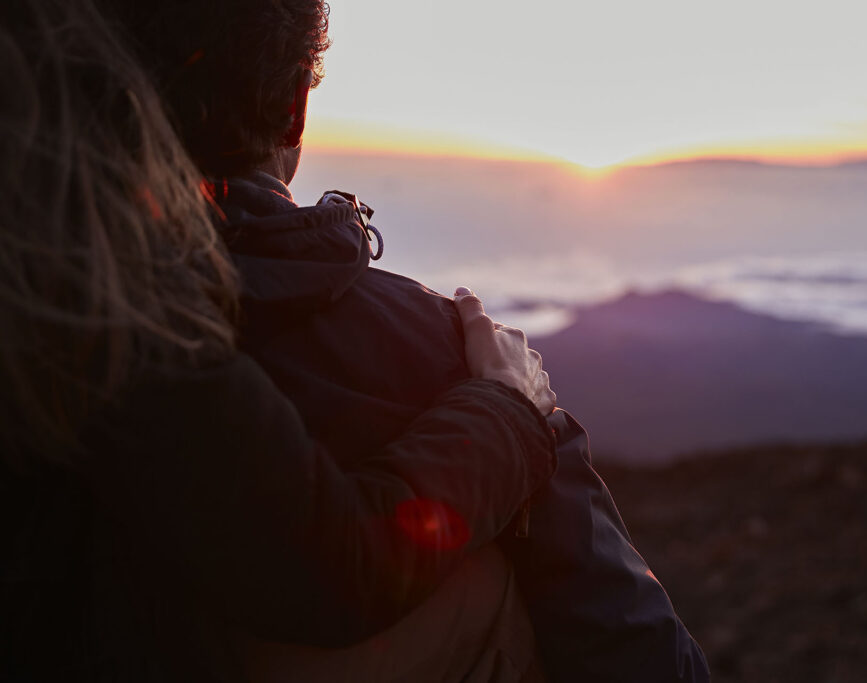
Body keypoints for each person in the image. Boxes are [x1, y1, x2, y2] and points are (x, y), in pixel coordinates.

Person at [99, 1, 711, 680]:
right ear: (297, 104)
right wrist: (513, 408)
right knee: (490, 580)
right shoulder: (448, 350)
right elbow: (624, 627)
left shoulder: (56, 303)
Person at [0, 1, 560, 679]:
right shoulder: (85, 267)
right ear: (296, 104)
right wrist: (508, 406)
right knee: (484, 595)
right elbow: (330, 568)